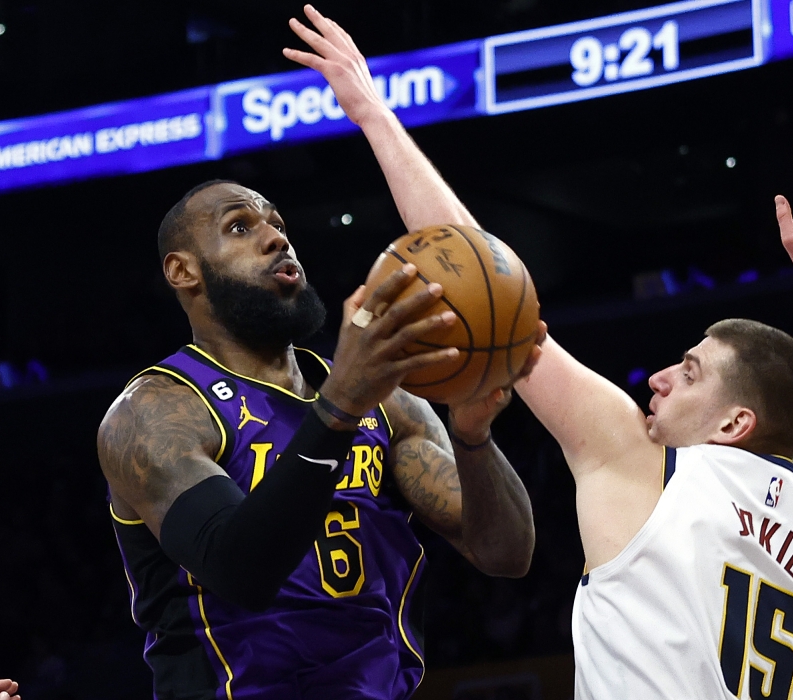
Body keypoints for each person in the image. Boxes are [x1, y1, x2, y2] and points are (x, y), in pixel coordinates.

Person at [96, 6, 538, 699]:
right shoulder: (154, 414)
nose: (277, 238)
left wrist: (475, 438)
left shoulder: (389, 402)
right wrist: (338, 408)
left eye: (277, 223)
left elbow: (506, 553)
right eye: (240, 228)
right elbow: (239, 571)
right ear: (184, 273)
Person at [514, 155, 793, 698]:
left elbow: (489, 293)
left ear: (736, 423)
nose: (659, 379)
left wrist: (376, 117)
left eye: (689, 374)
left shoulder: (648, 473)